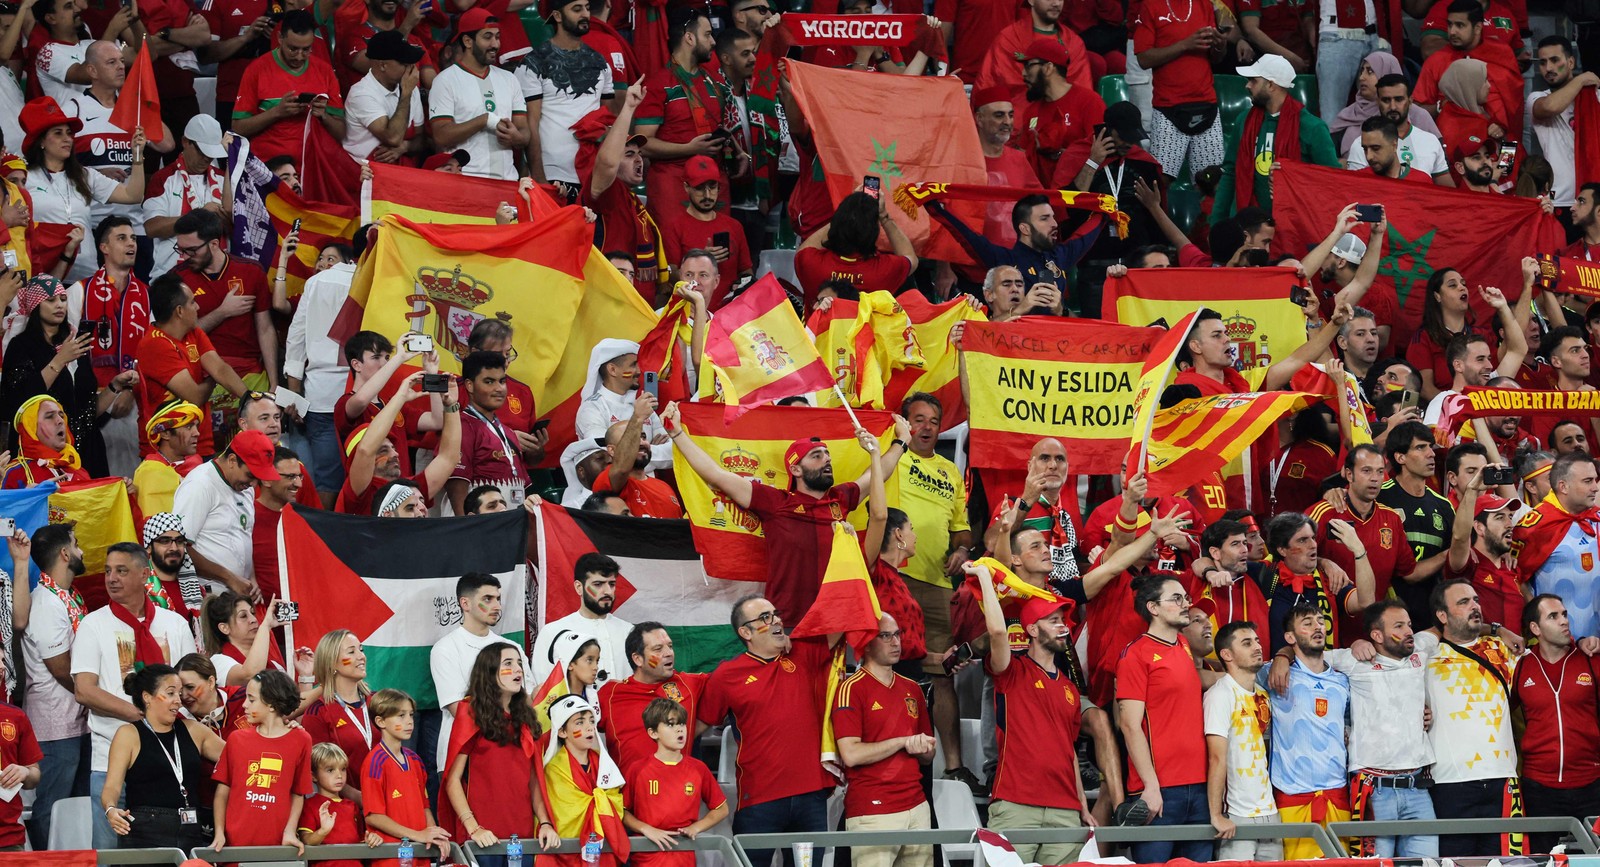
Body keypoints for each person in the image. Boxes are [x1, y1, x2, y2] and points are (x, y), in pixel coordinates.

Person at [666, 402, 908, 625]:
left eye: (828, 455)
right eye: (816, 456)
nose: (826, 460)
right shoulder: (775, 502)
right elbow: (716, 475)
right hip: (787, 623)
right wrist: (677, 434)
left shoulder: (840, 499)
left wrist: (902, 442)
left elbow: (877, 474)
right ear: (795, 469)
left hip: (835, 621)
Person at [72, 542, 199, 850]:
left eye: (121, 571)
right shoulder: (93, 624)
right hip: (109, 756)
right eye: (107, 571)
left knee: (164, 852)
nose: (111, 578)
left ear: (145, 574)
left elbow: (191, 685)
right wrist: (143, 718)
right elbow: (84, 690)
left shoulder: (174, 623)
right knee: (109, 852)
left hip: (167, 762)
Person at [965, 562, 1091, 863]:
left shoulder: (1070, 689)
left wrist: (1082, 804)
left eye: (1064, 620)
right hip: (1015, 805)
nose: (1063, 626)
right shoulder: (1012, 671)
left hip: (1066, 809)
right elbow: (997, 631)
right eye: (1053, 621)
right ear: (1031, 630)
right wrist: (984, 577)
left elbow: (1068, 751)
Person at [697, 595, 834, 867]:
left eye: (776, 614)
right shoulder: (726, 675)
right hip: (759, 801)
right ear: (745, 632)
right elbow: (697, 727)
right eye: (765, 618)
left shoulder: (804, 653)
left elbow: (844, 620)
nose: (777, 621)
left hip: (811, 797)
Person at [891, 392, 974, 785]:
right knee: (895, 671)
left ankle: (955, 768)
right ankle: (896, 761)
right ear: (904, 423)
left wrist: (961, 549)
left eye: (934, 421)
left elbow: (962, 528)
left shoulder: (949, 471)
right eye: (918, 420)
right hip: (894, 578)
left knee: (942, 674)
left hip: (939, 583)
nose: (926, 428)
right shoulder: (893, 457)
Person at [1321, 599, 1438, 858]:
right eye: (1399, 625)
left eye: (1409, 624)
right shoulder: (1353, 660)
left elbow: (1448, 625)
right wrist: (1284, 657)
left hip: (1418, 788)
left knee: (1429, 865)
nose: (1409, 631)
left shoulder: (1419, 650)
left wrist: (1498, 631)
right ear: (1376, 635)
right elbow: (1307, 654)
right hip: (1375, 790)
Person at [829, 613, 934, 867]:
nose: (895, 642)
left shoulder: (912, 688)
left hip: (917, 805)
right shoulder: (850, 688)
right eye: (885, 636)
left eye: (897, 634)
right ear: (865, 642)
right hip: (873, 810)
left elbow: (928, 754)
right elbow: (851, 754)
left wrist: (923, 748)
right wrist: (902, 742)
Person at [1117, 573, 1210, 859]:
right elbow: (1130, 726)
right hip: (1160, 791)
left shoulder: (1182, 645)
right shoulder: (1136, 654)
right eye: (1176, 599)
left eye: (1185, 597)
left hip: (1199, 786)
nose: (1185, 604)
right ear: (1153, 608)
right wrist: (1150, 787)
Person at [1426, 580, 1520, 858]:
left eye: (1475, 600)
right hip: (1448, 783)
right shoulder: (1424, 655)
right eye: (1463, 602)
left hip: (1503, 778)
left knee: (1505, 863)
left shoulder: (1503, 649)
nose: (1475, 606)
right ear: (1442, 615)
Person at [101, 664, 226, 852]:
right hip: (145, 833)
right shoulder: (128, 734)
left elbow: (238, 756)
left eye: (180, 693)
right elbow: (111, 787)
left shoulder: (194, 730)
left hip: (191, 829)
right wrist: (111, 809)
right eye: (170, 693)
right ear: (147, 697)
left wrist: (278, 731)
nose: (179, 700)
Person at [1515, 594, 1600, 853]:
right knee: (1545, 859)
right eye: (1553, 616)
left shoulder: (1590, 658)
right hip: (1539, 787)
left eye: (1564, 614)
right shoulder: (1519, 666)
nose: (1564, 621)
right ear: (1535, 628)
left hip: (1592, 783)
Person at [441, 644, 538, 867]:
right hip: (484, 839)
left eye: (520, 664)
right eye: (508, 664)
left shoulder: (526, 717)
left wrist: (543, 822)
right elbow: (452, 779)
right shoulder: (470, 713)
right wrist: (473, 827)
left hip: (523, 837)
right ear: (490, 671)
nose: (518, 670)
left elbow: (534, 779)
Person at [136, 275, 251, 460]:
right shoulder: (154, 344)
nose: (198, 307)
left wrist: (249, 399)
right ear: (179, 311)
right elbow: (195, 396)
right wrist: (212, 380)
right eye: (193, 302)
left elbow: (220, 368)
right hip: (167, 452)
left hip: (200, 444)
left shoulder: (193, 332)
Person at [23, 523, 88, 849]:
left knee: (75, 808)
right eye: (76, 545)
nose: (81, 552)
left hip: (75, 720)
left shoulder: (67, 597)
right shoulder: (47, 603)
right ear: (65, 553)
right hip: (54, 726)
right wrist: (93, 695)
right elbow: (61, 669)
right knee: (52, 806)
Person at [1214, 55, 1339, 221]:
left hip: (1295, 225)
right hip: (1248, 226)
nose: (1247, 85)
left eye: (1253, 80)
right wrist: (1216, 222)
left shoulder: (1312, 127)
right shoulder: (1244, 120)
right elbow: (1230, 173)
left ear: (1271, 85)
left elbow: (1330, 181)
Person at [431, 572, 532, 774]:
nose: (497, 606)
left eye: (498, 599)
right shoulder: (445, 649)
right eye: (488, 599)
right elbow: (459, 710)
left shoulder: (512, 647)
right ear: (465, 604)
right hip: (465, 755)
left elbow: (528, 700)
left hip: (512, 751)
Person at [928, 192, 1090, 314]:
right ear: (1024, 228)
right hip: (1016, 350)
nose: (1054, 224)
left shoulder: (1060, 256)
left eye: (1053, 217)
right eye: (1045, 218)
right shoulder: (1003, 260)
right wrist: (933, 206)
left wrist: (1061, 311)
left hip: (1057, 348)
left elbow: (1089, 231)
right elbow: (965, 234)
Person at [209, 670, 315, 854]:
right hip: (236, 845)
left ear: (272, 704)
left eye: (251, 699)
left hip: (277, 844)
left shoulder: (302, 739)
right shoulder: (236, 739)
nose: (243, 705)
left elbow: (299, 792)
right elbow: (222, 791)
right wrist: (219, 833)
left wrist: (290, 831)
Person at [636, 10, 729, 218]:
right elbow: (643, 143)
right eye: (707, 34)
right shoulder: (658, 85)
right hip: (673, 187)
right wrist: (688, 148)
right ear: (689, 37)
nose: (713, 41)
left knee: (718, 249)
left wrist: (738, 152)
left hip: (715, 183)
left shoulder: (715, 82)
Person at [173, 428, 280, 601]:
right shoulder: (199, 485)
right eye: (250, 475)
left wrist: (250, 578)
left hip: (238, 595)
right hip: (207, 596)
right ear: (232, 460)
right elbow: (179, 548)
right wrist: (229, 577)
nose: (253, 484)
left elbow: (244, 538)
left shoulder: (245, 488)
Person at [622, 698, 728, 867]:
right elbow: (622, 811)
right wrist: (646, 829)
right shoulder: (638, 769)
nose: (680, 729)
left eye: (682, 724)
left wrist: (696, 828)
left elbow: (721, 809)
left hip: (684, 857)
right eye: (671, 724)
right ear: (653, 733)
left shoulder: (698, 768)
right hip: (646, 857)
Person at [1204, 622, 1279, 859]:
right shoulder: (1219, 695)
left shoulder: (1263, 695)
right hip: (1235, 815)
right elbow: (1216, 758)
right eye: (1247, 643)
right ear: (1226, 654)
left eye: (1257, 641)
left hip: (1271, 812)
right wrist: (1216, 815)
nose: (1257, 647)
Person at [231, 11, 347, 165]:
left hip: (312, 166)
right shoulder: (256, 70)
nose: (299, 56)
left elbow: (341, 133)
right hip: (269, 167)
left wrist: (324, 116)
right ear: (280, 38)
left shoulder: (324, 71)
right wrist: (277, 112)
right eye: (293, 49)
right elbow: (238, 128)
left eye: (306, 49)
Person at [519, 0, 613, 190]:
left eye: (587, 8)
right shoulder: (533, 63)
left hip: (593, 174)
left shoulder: (600, 62)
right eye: (577, 9)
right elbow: (531, 125)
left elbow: (607, 119)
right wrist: (539, 177)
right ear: (558, 16)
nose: (585, 14)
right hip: (553, 173)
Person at [596, 622, 710, 776]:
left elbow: (731, 683)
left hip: (675, 794)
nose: (669, 653)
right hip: (628, 796)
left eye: (670, 646)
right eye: (658, 649)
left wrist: (692, 730)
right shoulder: (610, 694)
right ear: (638, 659)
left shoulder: (689, 684)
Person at [587, 82, 664, 301]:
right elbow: (607, 163)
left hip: (640, 303)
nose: (639, 159)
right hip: (611, 300)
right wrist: (628, 108)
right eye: (629, 155)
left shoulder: (635, 201)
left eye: (639, 154)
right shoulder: (606, 192)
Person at [1132, 0, 1224, 181]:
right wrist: (1184, 45)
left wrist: (1220, 45)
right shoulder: (1151, 5)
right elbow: (1144, 58)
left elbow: (1216, 57)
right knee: (1161, 182)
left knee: (1211, 183)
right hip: (1168, 110)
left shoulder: (1204, 4)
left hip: (1206, 105)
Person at [430, 9, 527, 181]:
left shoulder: (510, 79)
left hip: (507, 181)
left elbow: (525, 132)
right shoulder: (445, 80)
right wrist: (484, 121)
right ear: (467, 41)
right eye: (487, 37)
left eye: (497, 37)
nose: (495, 44)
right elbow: (441, 136)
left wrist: (517, 138)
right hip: (466, 181)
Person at [1513, 451, 1600, 638]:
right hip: (1558, 645)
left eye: (1595, 480)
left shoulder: (1597, 518)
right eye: (1587, 481)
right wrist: (1538, 622)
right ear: (1563, 486)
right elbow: (1514, 577)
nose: (1595, 487)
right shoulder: (1534, 526)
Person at [1378, 421, 1457, 626]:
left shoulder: (1444, 506)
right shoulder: (1379, 498)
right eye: (1421, 447)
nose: (1431, 453)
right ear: (1400, 457)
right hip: (1386, 613)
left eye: (1430, 446)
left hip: (1430, 617)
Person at [360, 689, 452, 864]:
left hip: (419, 853)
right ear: (380, 721)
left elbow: (425, 806)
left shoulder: (415, 759)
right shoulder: (375, 762)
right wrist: (419, 835)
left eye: (411, 715)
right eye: (401, 716)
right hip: (391, 856)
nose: (409, 721)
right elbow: (373, 815)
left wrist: (433, 833)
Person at [794, 191, 916, 312]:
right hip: (866, 332)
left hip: (815, 332)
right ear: (873, 233)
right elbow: (911, 258)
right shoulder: (884, 270)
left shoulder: (810, 263)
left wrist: (846, 214)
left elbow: (804, 249)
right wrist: (884, 217)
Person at [539, 694, 623, 866]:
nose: (589, 727)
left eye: (592, 721)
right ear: (562, 732)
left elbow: (616, 801)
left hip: (603, 851)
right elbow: (563, 815)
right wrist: (599, 800)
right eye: (579, 722)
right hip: (565, 854)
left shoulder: (604, 764)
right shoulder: (554, 769)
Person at [143, 116, 229, 280]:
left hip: (218, 275)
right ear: (185, 142)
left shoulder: (224, 179)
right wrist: (198, 217)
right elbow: (152, 227)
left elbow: (238, 229)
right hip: (172, 276)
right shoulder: (163, 178)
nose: (207, 158)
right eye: (202, 152)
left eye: (211, 154)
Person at [446, 350, 530, 514]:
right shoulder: (462, 426)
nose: (499, 388)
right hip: (478, 526)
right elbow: (456, 485)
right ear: (470, 385)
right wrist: (466, 528)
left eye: (502, 381)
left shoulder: (508, 432)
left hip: (510, 523)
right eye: (489, 381)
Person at [1012, 39, 1104, 188]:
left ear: (1048, 68)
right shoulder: (1032, 111)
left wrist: (1062, 155)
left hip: (1077, 197)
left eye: (1029, 66)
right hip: (1041, 199)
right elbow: (1022, 158)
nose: (1023, 73)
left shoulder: (1089, 102)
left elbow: (1100, 154)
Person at [531, 554, 634, 687]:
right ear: (579, 587)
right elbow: (543, 688)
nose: (608, 591)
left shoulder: (629, 631)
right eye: (598, 584)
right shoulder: (553, 632)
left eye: (612, 584)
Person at [300, 630, 377, 794]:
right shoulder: (318, 712)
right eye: (351, 651)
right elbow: (321, 772)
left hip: (389, 800)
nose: (361, 656)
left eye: (361, 650)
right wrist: (363, 800)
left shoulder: (378, 701)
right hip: (346, 810)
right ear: (332, 662)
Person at [659, 173, 752, 303]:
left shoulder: (734, 226)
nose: (707, 195)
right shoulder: (673, 227)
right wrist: (701, 260)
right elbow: (670, 276)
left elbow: (746, 271)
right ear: (687, 187)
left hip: (730, 312)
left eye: (712, 187)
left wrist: (741, 285)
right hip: (691, 312)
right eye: (699, 188)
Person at [1530, 36, 1598, 212]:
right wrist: (1581, 79)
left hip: (1594, 198)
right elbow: (1551, 106)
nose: (1549, 68)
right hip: (1557, 199)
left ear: (1570, 62)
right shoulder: (1536, 98)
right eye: (1543, 62)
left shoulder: (1595, 98)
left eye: (1555, 60)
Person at [342, 30, 426, 165]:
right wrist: (406, 94)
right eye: (404, 64)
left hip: (399, 173)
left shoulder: (410, 89)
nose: (411, 70)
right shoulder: (361, 94)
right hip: (363, 174)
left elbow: (421, 139)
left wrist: (404, 147)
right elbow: (392, 138)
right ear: (382, 65)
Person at [1345, 75, 1451, 182]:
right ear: (1377, 101)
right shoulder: (1361, 145)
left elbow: (1446, 193)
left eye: (1399, 99)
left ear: (1410, 101)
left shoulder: (1430, 141)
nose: (1393, 107)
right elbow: (1356, 189)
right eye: (1386, 100)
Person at [593, 403, 684, 519]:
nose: (640, 442)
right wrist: (637, 418)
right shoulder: (607, 480)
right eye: (632, 439)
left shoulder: (664, 487)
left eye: (643, 437)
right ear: (611, 450)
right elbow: (621, 469)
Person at [298, 743, 364, 851]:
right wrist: (323, 831)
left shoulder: (352, 806)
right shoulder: (309, 805)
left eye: (343, 769)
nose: (339, 775)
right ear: (313, 776)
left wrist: (371, 838)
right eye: (330, 770)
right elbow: (306, 840)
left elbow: (361, 841)